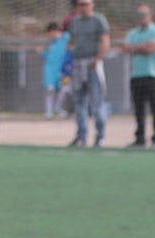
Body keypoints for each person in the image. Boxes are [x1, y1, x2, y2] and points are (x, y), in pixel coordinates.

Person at [67, 0, 110, 147]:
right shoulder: (74, 22)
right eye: (80, 4)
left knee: (96, 102)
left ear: (92, 5)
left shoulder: (98, 20)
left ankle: (100, 136)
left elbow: (105, 41)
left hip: (92, 64)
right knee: (79, 102)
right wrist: (68, 60)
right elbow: (71, 42)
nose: (83, 7)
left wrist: (97, 59)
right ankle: (81, 135)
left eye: (85, 4)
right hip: (78, 64)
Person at [123, 5, 155, 148]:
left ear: (150, 15)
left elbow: (151, 48)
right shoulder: (133, 33)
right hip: (136, 75)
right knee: (139, 109)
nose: (142, 17)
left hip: (152, 75)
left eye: (144, 14)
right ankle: (140, 138)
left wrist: (135, 48)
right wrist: (142, 46)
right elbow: (125, 48)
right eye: (139, 15)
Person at [40, 22, 70, 119]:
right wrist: (42, 52)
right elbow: (49, 56)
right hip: (50, 70)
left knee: (64, 89)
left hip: (65, 70)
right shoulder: (51, 44)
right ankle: (48, 111)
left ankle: (57, 108)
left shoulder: (66, 38)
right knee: (50, 89)